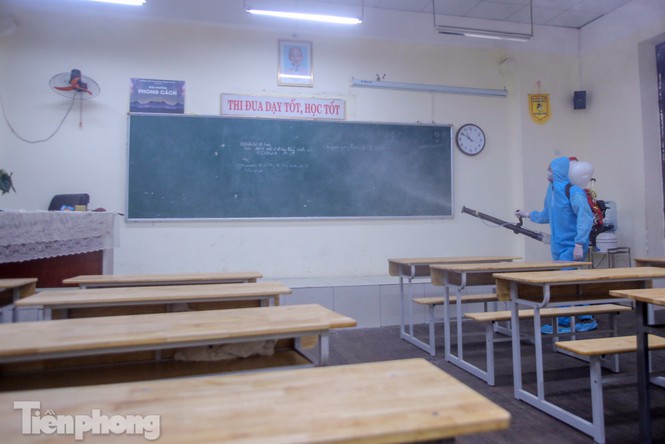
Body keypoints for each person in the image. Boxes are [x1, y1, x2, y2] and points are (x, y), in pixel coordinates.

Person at [515, 156, 597, 334]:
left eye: (551, 169)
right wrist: (528, 214)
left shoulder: (573, 191)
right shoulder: (551, 191)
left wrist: (579, 243)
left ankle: (564, 322)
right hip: (558, 245)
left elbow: (585, 217)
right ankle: (586, 317)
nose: (548, 172)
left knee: (564, 283)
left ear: (560, 170)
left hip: (572, 245)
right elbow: (546, 214)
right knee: (571, 282)